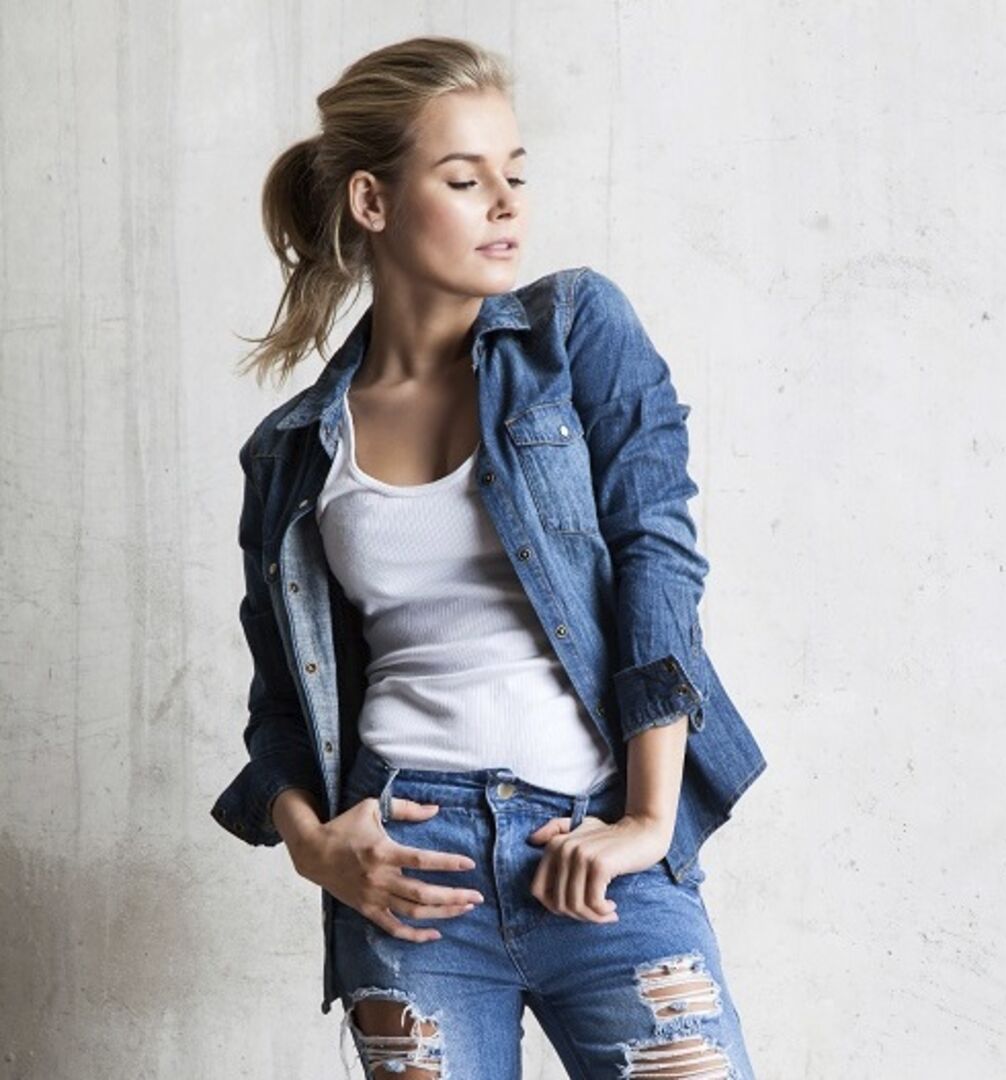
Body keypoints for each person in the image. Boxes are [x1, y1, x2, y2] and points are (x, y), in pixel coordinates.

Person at [208, 35, 768, 1078]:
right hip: (408, 874)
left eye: (515, 173)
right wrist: (315, 845)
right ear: (373, 201)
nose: (507, 204)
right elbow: (282, 706)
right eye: (466, 180)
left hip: (595, 851)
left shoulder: (576, 332)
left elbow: (657, 559)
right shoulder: (293, 451)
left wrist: (649, 819)